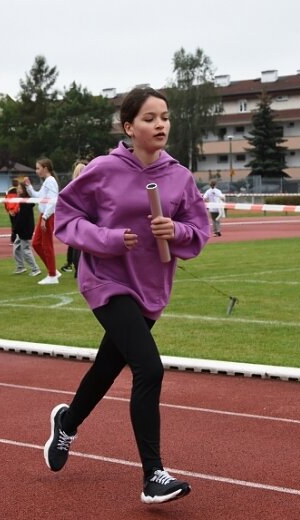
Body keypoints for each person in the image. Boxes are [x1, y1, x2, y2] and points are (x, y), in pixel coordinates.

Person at [46, 87, 210, 504]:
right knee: (149, 368)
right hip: (106, 280)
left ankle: (67, 421)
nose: (160, 125)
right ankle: (154, 475)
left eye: (165, 117)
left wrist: (178, 231)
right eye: (150, 118)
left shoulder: (179, 176)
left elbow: (199, 229)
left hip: (151, 287)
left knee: (107, 366)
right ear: (128, 127)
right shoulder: (103, 169)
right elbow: (67, 218)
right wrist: (111, 238)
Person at [27, 158, 60, 285]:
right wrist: (29, 187)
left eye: (38, 168)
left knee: (47, 245)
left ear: (45, 168)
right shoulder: (47, 181)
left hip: (48, 215)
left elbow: (53, 200)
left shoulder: (50, 181)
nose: (36, 171)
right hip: (44, 215)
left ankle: (52, 275)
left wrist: (45, 217)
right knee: (36, 244)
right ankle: (53, 271)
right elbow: (38, 196)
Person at [60, 159, 88, 275]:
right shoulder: (78, 187)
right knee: (79, 248)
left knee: (78, 247)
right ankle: (77, 269)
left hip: (79, 223)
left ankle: (76, 269)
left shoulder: (74, 187)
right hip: (80, 222)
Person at [11, 182, 41, 276]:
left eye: (20, 188)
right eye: (18, 188)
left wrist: (15, 229)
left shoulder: (26, 202)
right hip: (22, 229)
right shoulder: (22, 201)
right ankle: (20, 267)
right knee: (16, 247)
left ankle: (35, 269)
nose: (18, 190)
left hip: (25, 229)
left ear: (25, 191)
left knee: (25, 249)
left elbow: (22, 218)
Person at [5, 178, 21, 243]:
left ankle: (13, 239)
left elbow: (6, 202)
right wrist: (14, 210)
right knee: (17, 225)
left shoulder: (8, 191)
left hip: (11, 211)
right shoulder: (18, 191)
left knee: (13, 225)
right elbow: (18, 202)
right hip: (16, 211)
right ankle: (16, 239)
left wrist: (9, 210)